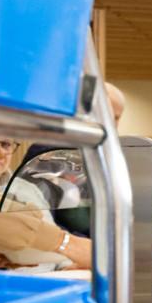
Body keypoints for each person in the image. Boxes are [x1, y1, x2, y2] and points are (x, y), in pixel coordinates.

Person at [20, 82, 126, 238]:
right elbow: (40, 216)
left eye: (117, 118)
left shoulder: (96, 153)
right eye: (111, 116)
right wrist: (84, 244)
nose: (114, 125)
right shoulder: (50, 150)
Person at [0, 138, 92, 269]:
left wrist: (68, 267)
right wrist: (68, 244)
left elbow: (56, 255)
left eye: (5, 144)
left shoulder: (27, 189)